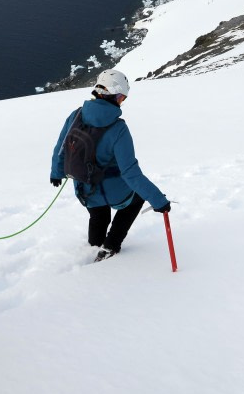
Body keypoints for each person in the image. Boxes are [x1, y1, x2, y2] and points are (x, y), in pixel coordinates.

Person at [50, 69, 171, 262]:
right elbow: (131, 173)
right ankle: (111, 245)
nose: (122, 102)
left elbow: (61, 147)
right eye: (122, 97)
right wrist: (158, 201)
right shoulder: (118, 129)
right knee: (136, 198)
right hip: (113, 190)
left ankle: (95, 246)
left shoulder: (76, 115)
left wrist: (56, 173)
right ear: (115, 95)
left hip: (84, 187)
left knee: (98, 215)